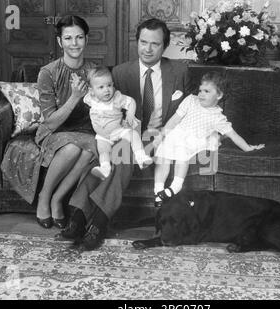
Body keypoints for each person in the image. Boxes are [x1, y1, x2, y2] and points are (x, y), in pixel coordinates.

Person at [57, 18, 192, 251]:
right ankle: (91, 222)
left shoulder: (179, 70)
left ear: (164, 46)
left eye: (155, 44)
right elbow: (106, 106)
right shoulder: (120, 72)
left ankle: (84, 218)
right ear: (137, 42)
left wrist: (163, 128)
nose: (147, 49)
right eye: (143, 42)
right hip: (127, 134)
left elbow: (191, 109)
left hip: (163, 137)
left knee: (122, 151)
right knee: (119, 153)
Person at [152, 72, 265, 207]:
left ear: (219, 95)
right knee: (163, 154)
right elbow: (174, 119)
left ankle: (175, 186)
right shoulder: (190, 100)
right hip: (177, 133)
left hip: (195, 139)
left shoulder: (217, 117)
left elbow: (233, 135)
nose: (201, 94)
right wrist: (162, 135)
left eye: (206, 91)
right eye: (200, 90)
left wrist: (248, 147)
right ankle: (158, 191)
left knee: (182, 153)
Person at [34, 15, 97, 229]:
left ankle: (57, 199)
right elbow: (50, 122)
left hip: (86, 130)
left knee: (90, 149)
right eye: (68, 38)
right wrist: (74, 97)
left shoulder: (94, 71)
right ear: (60, 42)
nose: (74, 43)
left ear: (86, 40)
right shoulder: (48, 73)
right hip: (55, 131)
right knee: (71, 148)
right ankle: (44, 197)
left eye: (79, 37)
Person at [84, 66, 152, 180]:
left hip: (118, 131)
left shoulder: (116, 98)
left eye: (109, 85)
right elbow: (84, 93)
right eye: (101, 87)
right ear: (92, 91)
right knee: (103, 152)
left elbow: (131, 102)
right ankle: (105, 169)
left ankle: (141, 157)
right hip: (102, 136)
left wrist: (130, 114)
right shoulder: (90, 99)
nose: (107, 90)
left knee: (133, 135)